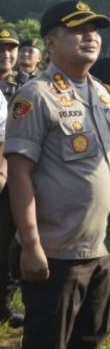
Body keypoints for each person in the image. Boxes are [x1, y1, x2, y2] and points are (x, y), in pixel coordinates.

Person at [5, 0, 110, 348]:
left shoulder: (103, 95)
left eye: (94, 30)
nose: (90, 36)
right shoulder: (35, 96)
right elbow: (19, 175)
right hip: (58, 254)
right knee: (49, 341)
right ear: (50, 42)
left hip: (102, 250)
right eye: (77, 29)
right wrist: (30, 244)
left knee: (91, 339)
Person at [0, 26, 23, 328]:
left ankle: (3, 304)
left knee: (6, 243)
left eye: (10, 49)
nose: (6, 55)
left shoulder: (26, 86)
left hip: (10, 177)